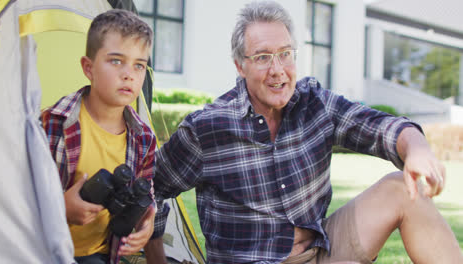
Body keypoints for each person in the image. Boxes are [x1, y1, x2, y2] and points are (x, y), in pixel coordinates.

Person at [146, 1, 463, 264]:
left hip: (320, 250)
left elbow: (380, 127)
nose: (278, 70)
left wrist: (417, 148)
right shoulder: (207, 128)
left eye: (285, 53)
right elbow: (152, 186)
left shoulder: (315, 105)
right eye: (262, 57)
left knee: (402, 189)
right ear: (239, 66)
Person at [40, 9, 157, 264]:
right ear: (88, 68)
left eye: (139, 65)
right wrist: (59, 208)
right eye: (116, 61)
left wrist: (147, 221)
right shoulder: (51, 123)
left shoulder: (144, 138)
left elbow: (145, 192)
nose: (129, 74)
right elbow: (18, 196)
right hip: (42, 250)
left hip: (102, 252)